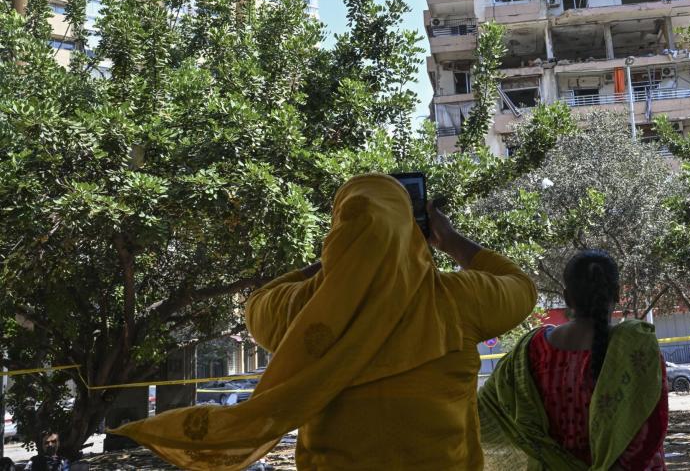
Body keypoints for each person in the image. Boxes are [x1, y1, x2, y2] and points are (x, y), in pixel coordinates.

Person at [111, 173, 537, 470]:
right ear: (413, 230)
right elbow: (520, 285)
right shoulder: (457, 301)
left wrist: (334, 265)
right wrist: (448, 239)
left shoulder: (303, 310)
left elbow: (256, 303)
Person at [479, 250, 668, 470]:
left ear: (567, 297)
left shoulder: (530, 351)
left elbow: (486, 412)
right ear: (616, 294)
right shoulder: (636, 349)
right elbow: (652, 428)